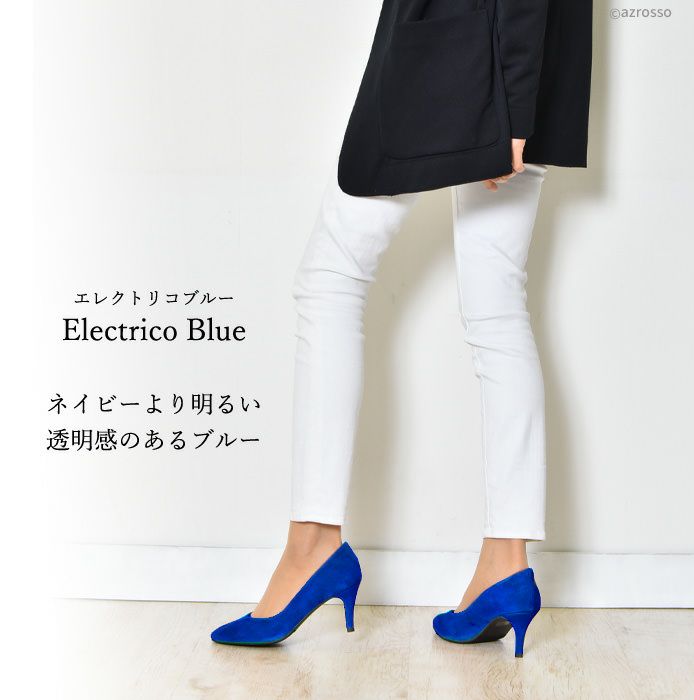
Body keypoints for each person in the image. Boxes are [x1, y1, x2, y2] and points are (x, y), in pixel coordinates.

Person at [211, 0, 592, 657]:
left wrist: (510, 102)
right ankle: (504, 564)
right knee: (497, 306)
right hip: (514, 60)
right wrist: (520, 96)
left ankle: (312, 544)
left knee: (331, 279)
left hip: (467, 54)